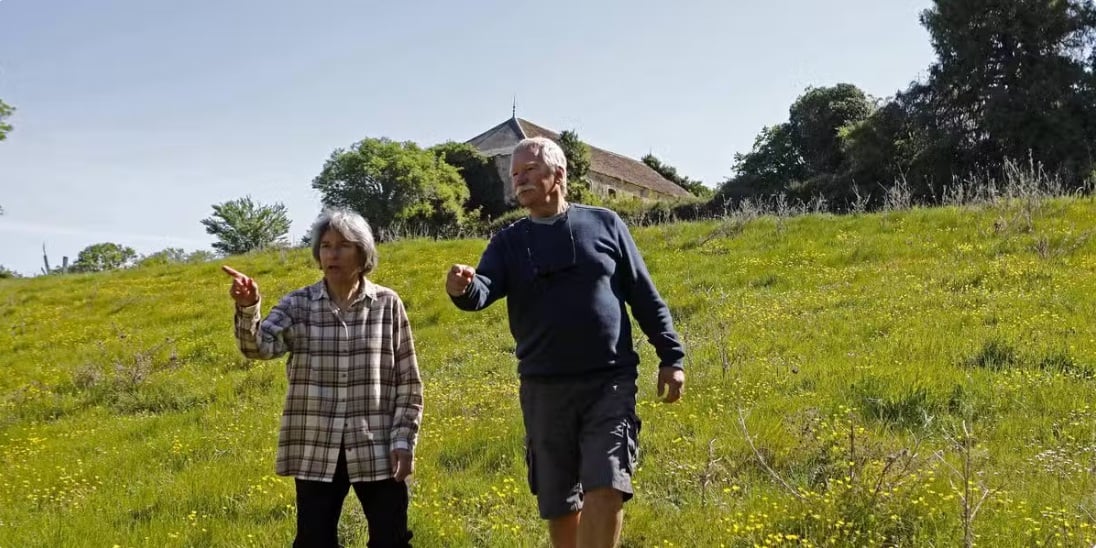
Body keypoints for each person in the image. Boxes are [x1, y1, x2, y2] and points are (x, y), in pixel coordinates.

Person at [445, 137, 685, 548]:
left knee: (607, 484)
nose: (520, 179)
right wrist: (463, 288)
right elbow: (483, 290)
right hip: (544, 388)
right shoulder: (508, 241)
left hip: (608, 382)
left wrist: (672, 356)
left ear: (560, 174)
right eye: (514, 174)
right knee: (559, 501)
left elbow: (643, 294)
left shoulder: (605, 224)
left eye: (530, 170)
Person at [224, 208, 422, 548]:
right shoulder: (298, 304)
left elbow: (408, 381)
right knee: (314, 540)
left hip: (377, 446)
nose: (332, 253)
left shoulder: (388, 304)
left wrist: (404, 440)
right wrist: (249, 307)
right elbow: (259, 348)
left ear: (363, 253)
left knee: (391, 539)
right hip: (317, 445)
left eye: (343, 245)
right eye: (326, 245)